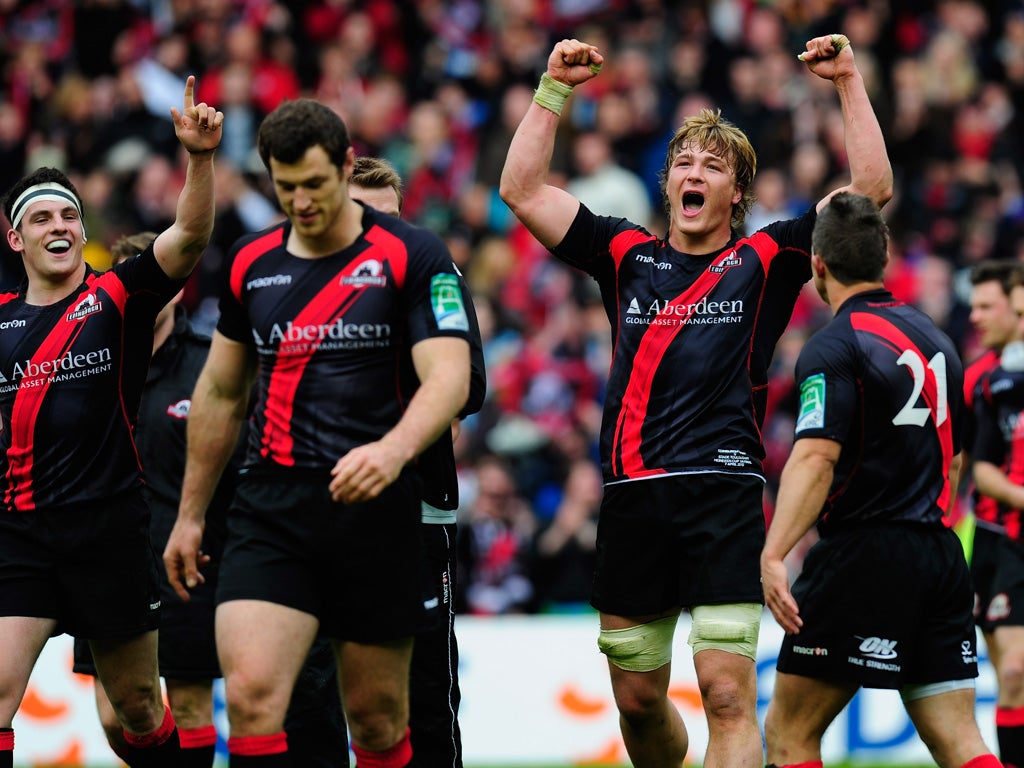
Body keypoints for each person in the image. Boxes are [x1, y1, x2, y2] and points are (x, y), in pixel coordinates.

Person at [498, 34, 892, 768]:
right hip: (634, 498)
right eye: (684, 161)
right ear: (667, 182)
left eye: (713, 165)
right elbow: (521, 191)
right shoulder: (625, 256)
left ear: (735, 192)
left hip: (725, 496)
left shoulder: (766, 259)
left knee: (727, 696)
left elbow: (868, 195)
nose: (695, 172)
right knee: (641, 706)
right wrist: (552, 88)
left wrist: (847, 83)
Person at [163, 97, 471, 768]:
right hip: (270, 510)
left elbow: (451, 376)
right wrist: (190, 514)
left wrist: (392, 451)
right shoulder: (251, 264)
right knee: (251, 701)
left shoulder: (412, 255)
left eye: (314, 184)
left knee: (379, 721)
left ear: (343, 167)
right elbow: (219, 391)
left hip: (375, 508)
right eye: (285, 186)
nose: (300, 201)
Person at [0, 76, 221, 768]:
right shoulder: (0, 322)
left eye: (69, 215)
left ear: (83, 230)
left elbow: (189, 236)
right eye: (41, 218)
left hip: (108, 533)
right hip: (21, 535)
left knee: (138, 710)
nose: (59, 226)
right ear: (16, 238)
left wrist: (200, 158)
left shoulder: (116, 298)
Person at [71, 233, 348, 768]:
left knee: (191, 703)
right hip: (107, 560)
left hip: (189, 562)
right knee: (114, 713)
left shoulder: (209, 367)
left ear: (174, 290)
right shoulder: (89, 369)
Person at [761, 191, 1000, 768]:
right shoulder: (939, 341)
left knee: (790, 734)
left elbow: (816, 457)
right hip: (939, 555)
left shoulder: (832, 347)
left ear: (817, 265)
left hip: (864, 554)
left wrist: (774, 553)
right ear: (883, 257)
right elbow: (956, 460)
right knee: (960, 742)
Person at [348, 155, 486, 768]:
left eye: (392, 219)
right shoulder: (302, 278)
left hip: (421, 510)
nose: (384, 234)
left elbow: (471, 381)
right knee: (324, 693)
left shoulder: (434, 270)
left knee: (427, 688)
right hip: (326, 513)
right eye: (365, 218)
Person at [963, 260, 1024, 765]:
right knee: (1013, 673)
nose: (976, 317)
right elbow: (963, 462)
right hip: (997, 542)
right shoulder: (979, 380)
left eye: (987, 306)